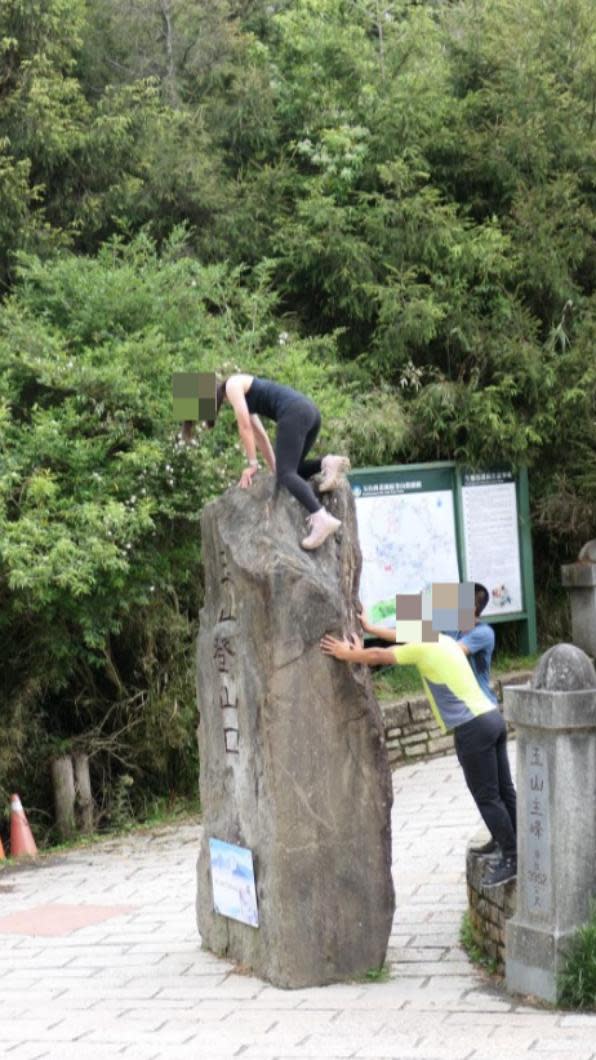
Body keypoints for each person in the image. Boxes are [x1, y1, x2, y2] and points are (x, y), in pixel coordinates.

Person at [320, 612, 517, 887]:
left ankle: (511, 857)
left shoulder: (424, 647)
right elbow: (397, 637)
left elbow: (380, 655)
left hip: (473, 728)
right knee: (504, 789)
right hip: (492, 717)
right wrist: (370, 627)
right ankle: (510, 840)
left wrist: (347, 654)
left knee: (488, 796)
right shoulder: (444, 640)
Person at [182, 374, 350, 550]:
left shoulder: (232, 385)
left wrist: (252, 465)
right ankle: (327, 463)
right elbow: (260, 436)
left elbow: (244, 427)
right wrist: (276, 470)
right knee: (292, 472)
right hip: (309, 412)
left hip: (294, 413)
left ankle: (321, 517)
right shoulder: (242, 391)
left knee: (287, 474)